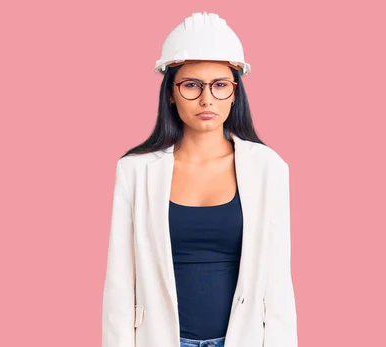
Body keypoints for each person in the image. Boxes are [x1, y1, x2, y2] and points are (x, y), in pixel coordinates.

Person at [101, 12, 298, 347]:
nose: (207, 99)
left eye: (220, 85)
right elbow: (120, 284)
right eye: (192, 85)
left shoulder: (268, 168)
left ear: (235, 93)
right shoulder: (135, 170)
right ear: (170, 93)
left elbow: (277, 284)